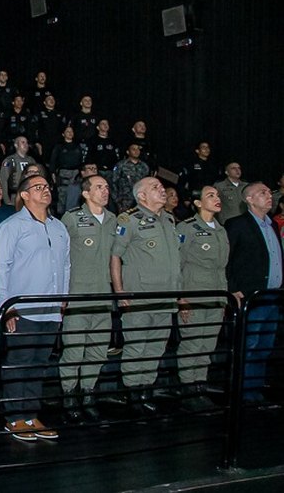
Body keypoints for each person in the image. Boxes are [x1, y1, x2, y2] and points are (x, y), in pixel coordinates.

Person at [0, 173, 69, 441]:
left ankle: (30, 415)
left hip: (50, 308)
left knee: (39, 364)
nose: (45, 191)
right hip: (22, 309)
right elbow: (0, 268)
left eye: (47, 186)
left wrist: (63, 299)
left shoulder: (59, 228)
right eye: (38, 187)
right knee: (19, 363)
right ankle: (13, 418)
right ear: (24, 195)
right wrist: (6, 307)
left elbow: (66, 265)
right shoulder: (11, 227)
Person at [111, 177, 182, 416]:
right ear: (141, 196)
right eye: (155, 188)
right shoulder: (129, 219)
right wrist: (120, 291)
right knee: (136, 347)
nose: (162, 190)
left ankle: (146, 391)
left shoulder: (170, 220)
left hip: (167, 297)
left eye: (162, 187)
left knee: (156, 347)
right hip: (139, 297)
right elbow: (115, 257)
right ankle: (132, 393)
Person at [59, 174, 116, 422]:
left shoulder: (115, 220)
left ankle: (89, 392)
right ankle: (69, 394)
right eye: (99, 187)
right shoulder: (71, 219)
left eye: (106, 187)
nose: (105, 191)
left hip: (103, 295)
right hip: (77, 295)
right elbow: (59, 258)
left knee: (98, 349)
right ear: (85, 193)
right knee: (73, 349)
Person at [224, 182, 283, 402]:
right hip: (250, 297)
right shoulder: (237, 224)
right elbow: (226, 260)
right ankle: (241, 394)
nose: (269, 196)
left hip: (273, 297)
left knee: (264, 348)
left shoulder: (273, 225)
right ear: (248, 199)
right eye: (263, 193)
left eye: (269, 192)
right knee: (248, 346)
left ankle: (254, 391)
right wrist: (232, 289)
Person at [175, 186, 230, 411]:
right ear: (197, 203)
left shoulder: (221, 230)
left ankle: (200, 386)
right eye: (210, 196)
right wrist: (182, 298)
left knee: (207, 345)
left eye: (217, 196)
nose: (217, 199)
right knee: (192, 344)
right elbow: (176, 264)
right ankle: (188, 390)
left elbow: (222, 267)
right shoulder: (187, 227)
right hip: (194, 295)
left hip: (216, 296)